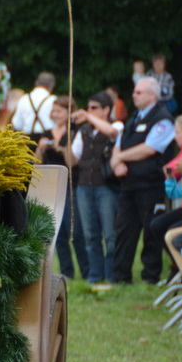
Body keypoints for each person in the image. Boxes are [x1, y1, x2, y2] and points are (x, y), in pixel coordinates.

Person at [109, 76, 179, 285]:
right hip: (129, 184)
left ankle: (150, 275)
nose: (134, 95)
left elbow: (150, 148)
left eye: (139, 92)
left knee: (150, 230)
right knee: (123, 229)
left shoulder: (163, 119)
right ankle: (120, 276)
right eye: (134, 91)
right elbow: (118, 145)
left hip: (150, 184)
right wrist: (115, 163)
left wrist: (120, 158)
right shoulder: (133, 119)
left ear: (152, 95)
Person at [66, 92, 120, 286]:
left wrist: (88, 117)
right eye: (88, 108)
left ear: (107, 110)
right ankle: (95, 275)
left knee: (110, 234)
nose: (89, 111)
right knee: (90, 234)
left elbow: (112, 133)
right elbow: (72, 160)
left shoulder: (116, 125)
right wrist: (67, 137)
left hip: (106, 186)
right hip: (84, 186)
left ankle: (112, 274)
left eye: (94, 108)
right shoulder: (84, 131)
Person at [34, 96, 77, 279]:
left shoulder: (73, 132)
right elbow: (37, 162)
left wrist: (63, 148)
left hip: (70, 185)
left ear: (68, 112)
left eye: (59, 110)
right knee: (57, 229)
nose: (55, 114)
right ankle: (66, 270)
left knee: (72, 227)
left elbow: (72, 162)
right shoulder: (46, 133)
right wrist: (41, 148)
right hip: (51, 184)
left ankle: (86, 269)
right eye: (54, 110)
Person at [11, 71, 58, 138]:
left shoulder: (24, 99)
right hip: (48, 139)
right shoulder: (54, 100)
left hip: (28, 138)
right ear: (52, 85)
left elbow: (17, 124)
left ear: (36, 83)